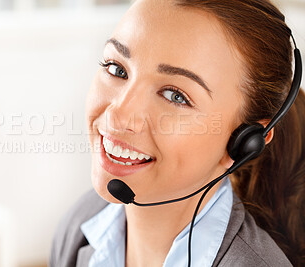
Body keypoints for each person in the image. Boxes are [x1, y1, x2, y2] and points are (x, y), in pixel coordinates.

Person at [50, 0, 305, 266]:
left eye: (175, 96)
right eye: (117, 69)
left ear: (245, 141)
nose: (118, 115)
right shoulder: (81, 225)